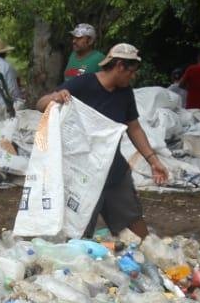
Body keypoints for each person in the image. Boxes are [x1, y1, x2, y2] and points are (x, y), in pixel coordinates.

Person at [35, 43, 169, 239]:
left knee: (133, 225)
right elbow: (40, 104)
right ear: (120, 66)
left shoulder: (125, 93)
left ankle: (147, 254)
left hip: (114, 171)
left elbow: (134, 128)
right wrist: (56, 98)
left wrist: (153, 161)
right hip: (82, 176)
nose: (133, 76)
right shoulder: (83, 84)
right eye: (131, 71)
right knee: (78, 232)